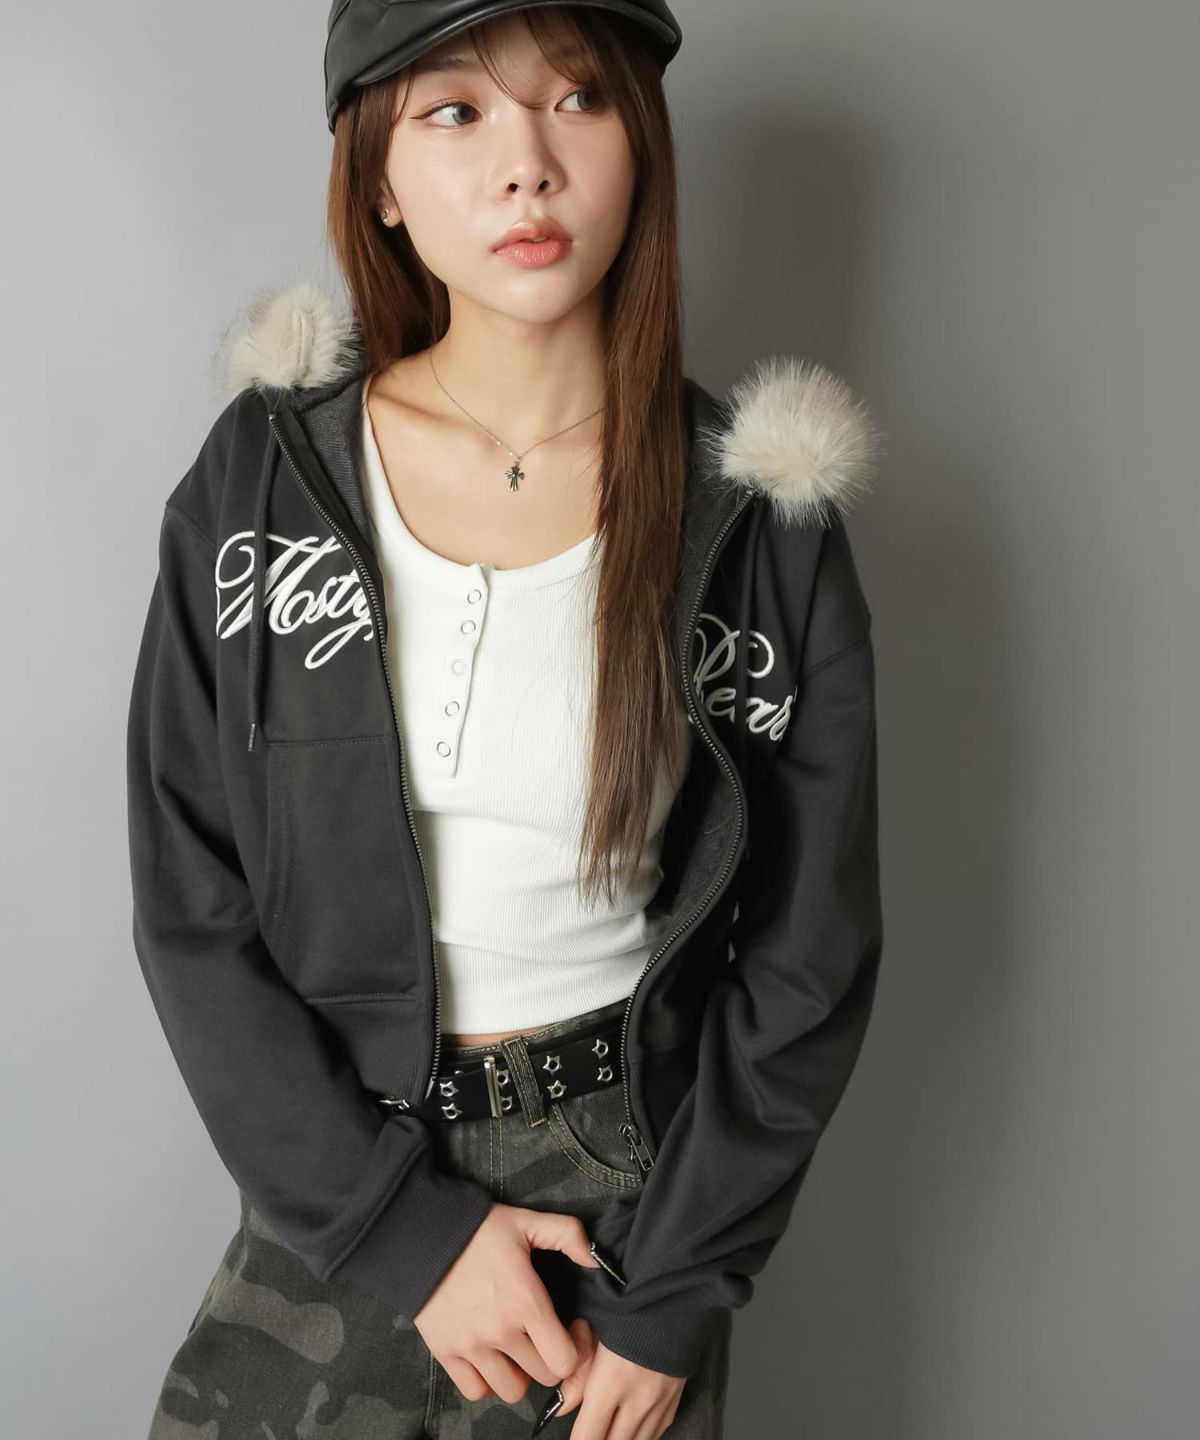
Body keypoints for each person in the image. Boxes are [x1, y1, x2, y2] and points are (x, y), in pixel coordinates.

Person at [125, 2, 885, 1436]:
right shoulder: (263, 483)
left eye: (578, 100)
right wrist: (402, 1230)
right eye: (456, 111)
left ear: (641, 148)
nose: (526, 162)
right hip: (340, 1180)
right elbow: (190, 895)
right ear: (379, 178)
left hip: (627, 1223)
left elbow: (810, 954)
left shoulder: (755, 527)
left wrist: (675, 1292)